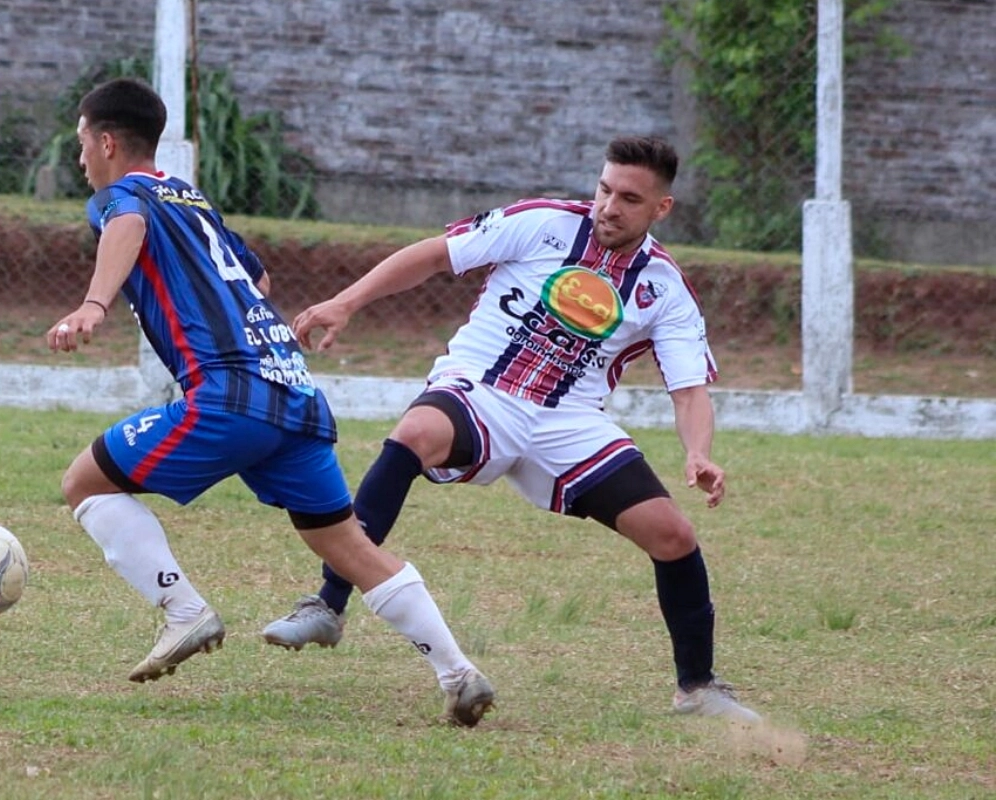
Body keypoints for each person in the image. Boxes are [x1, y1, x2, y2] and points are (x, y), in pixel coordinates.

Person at [262, 136, 762, 725]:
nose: (609, 206)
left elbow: (689, 391)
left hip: (569, 419)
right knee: (416, 432)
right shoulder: (542, 222)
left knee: (673, 534)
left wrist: (698, 452)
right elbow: (433, 254)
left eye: (629, 198)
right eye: (605, 189)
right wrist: (347, 302)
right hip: (483, 387)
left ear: (661, 208)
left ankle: (697, 688)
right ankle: (328, 603)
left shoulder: (664, 288)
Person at [46, 77, 494, 727]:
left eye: (83, 143)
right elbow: (257, 275)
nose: (81, 157)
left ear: (108, 142)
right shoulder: (190, 198)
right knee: (349, 548)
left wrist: (94, 304)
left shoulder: (125, 197)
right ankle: (458, 672)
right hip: (295, 392)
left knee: (84, 483)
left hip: (230, 396)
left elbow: (128, 222)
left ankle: (183, 612)